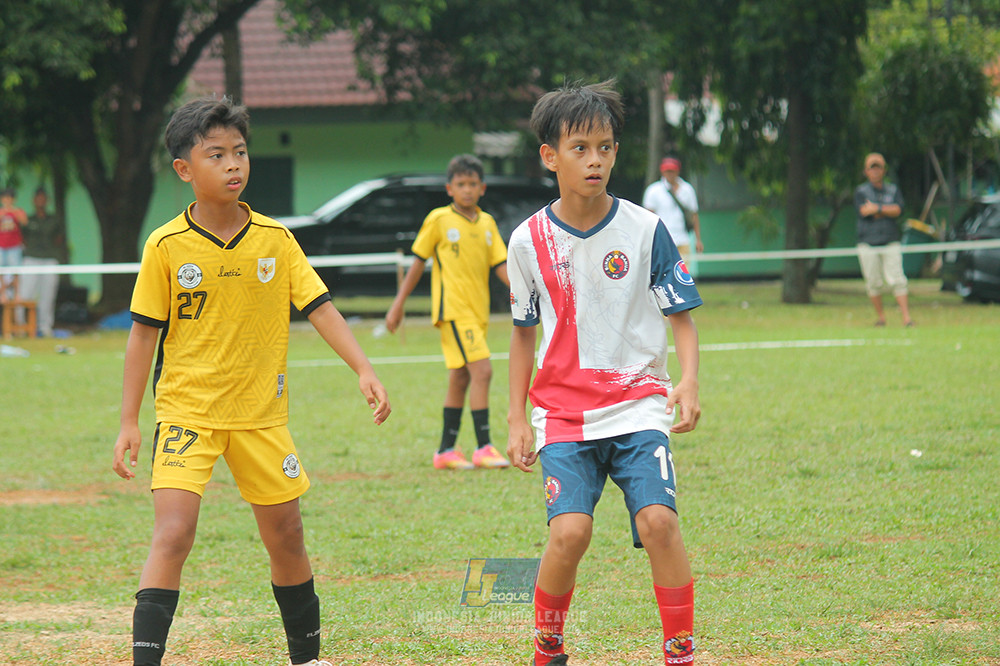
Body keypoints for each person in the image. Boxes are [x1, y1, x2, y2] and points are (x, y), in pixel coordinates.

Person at [111, 96, 391, 666]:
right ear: (184, 170)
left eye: (240, 152)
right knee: (174, 533)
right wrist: (128, 420)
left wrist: (363, 367)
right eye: (216, 155)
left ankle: (306, 658)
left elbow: (320, 307)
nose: (233, 164)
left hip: (263, 416)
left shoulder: (275, 239)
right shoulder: (166, 247)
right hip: (188, 413)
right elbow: (142, 336)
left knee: (286, 533)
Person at [506, 80, 703, 666]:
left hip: (639, 402)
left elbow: (682, 315)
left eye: (606, 147)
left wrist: (687, 381)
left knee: (660, 523)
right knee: (569, 535)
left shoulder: (644, 229)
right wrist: (516, 417)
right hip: (563, 413)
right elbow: (521, 336)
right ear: (550, 156)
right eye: (581, 148)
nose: (595, 160)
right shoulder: (527, 241)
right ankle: (548, 648)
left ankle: (680, 653)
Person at [385, 154, 511, 471]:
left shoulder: (486, 223)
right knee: (483, 371)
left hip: (477, 311)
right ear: (449, 189)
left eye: (472, 184)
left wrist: (526, 291)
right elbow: (417, 261)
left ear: (482, 188)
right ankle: (484, 446)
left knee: (461, 377)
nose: (467, 190)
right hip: (453, 310)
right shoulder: (439, 220)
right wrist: (398, 304)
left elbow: (501, 265)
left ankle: (445, 451)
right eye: (460, 184)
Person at [854, 152, 914, 327]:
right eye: (872, 168)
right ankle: (881, 318)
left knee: (898, 279)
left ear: (884, 170)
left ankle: (906, 319)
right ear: (866, 171)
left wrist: (877, 209)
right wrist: (886, 211)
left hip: (890, 241)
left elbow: (898, 210)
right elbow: (865, 212)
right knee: (873, 282)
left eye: (878, 167)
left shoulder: (893, 190)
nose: (875, 171)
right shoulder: (860, 191)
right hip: (868, 243)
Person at [642, 157, 703, 269]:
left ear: (677, 171)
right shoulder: (654, 190)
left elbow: (694, 215)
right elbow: (648, 217)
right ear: (662, 172)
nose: (670, 174)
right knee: (665, 271)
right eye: (667, 171)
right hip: (662, 239)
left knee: (683, 273)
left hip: (683, 237)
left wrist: (698, 239)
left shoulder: (687, 189)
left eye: (672, 171)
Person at [20, 187, 65, 336]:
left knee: (48, 295)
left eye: (43, 197)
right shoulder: (28, 220)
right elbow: (23, 239)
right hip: (31, 258)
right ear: (33, 200)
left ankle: (45, 327)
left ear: (47, 200)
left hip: (49, 259)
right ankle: (21, 327)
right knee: (25, 294)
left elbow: (58, 239)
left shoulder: (54, 220)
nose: (40, 201)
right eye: (38, 197)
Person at [0, 188, 28, 303]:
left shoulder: (18, 211)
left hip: (14, 246)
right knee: (1, 270)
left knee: (16, 270)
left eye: (10, 198)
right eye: (5, 198)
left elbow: (24, 221)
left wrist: (13, 212)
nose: (7, 200)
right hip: (2, 245)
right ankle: (3, 294)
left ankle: (17, 293)